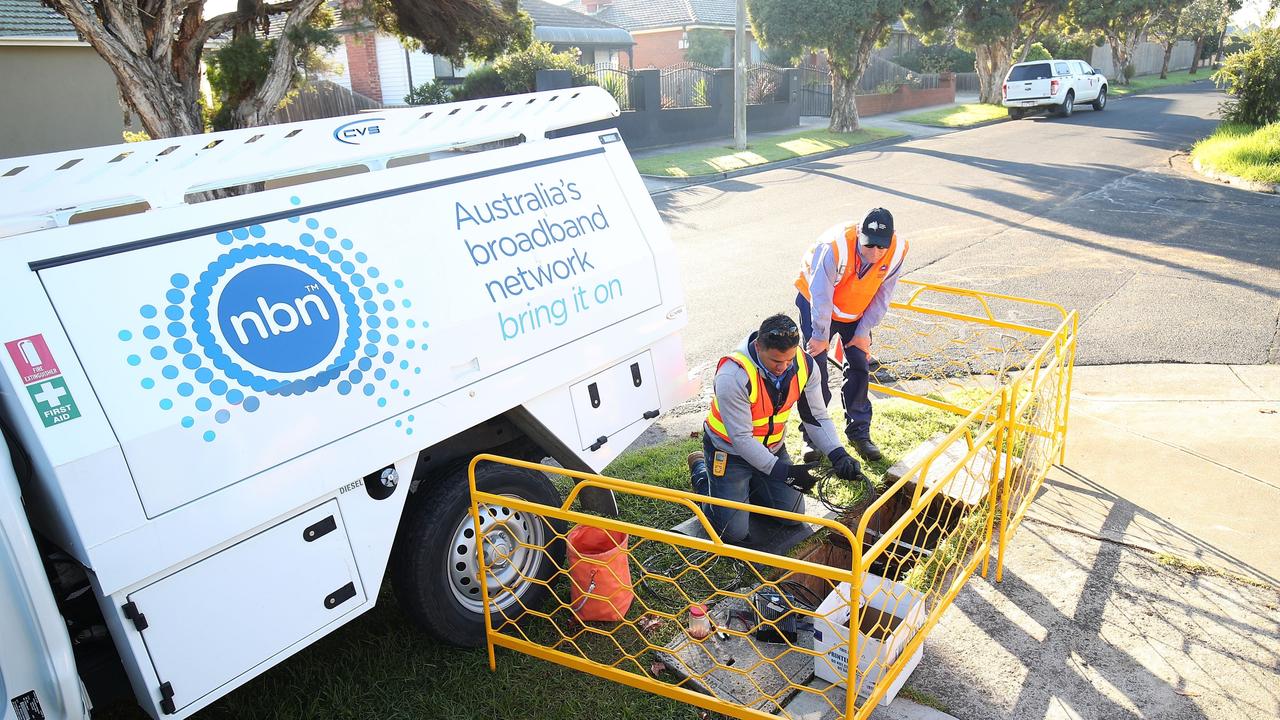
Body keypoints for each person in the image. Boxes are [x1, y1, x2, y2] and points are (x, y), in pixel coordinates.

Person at [688, 313, 866, 545]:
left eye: (788, 360)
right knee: (732, 534)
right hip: (730, 454)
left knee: (792, 517)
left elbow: (816, 416)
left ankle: (749, 487)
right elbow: (741, 439)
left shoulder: (805, 365)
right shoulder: (733, 375)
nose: (783, 367)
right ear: (758, 346)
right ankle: (703, 473)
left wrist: (838, 453)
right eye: (775, 361)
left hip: (772, 450)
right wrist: (784, 472)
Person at [794, 207, 908, 462]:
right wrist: (820, 335)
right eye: (869, 246)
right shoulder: (833, 246)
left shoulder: (898, 249)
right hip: (817, 304)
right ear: (859, 232)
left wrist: (863, 331)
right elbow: (821, 296)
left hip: (856, 309)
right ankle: (812, 437)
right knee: (815, 371)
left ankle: (859, 433)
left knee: (859, 364)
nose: (875, 253)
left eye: (881, 247)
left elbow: (883, 295)